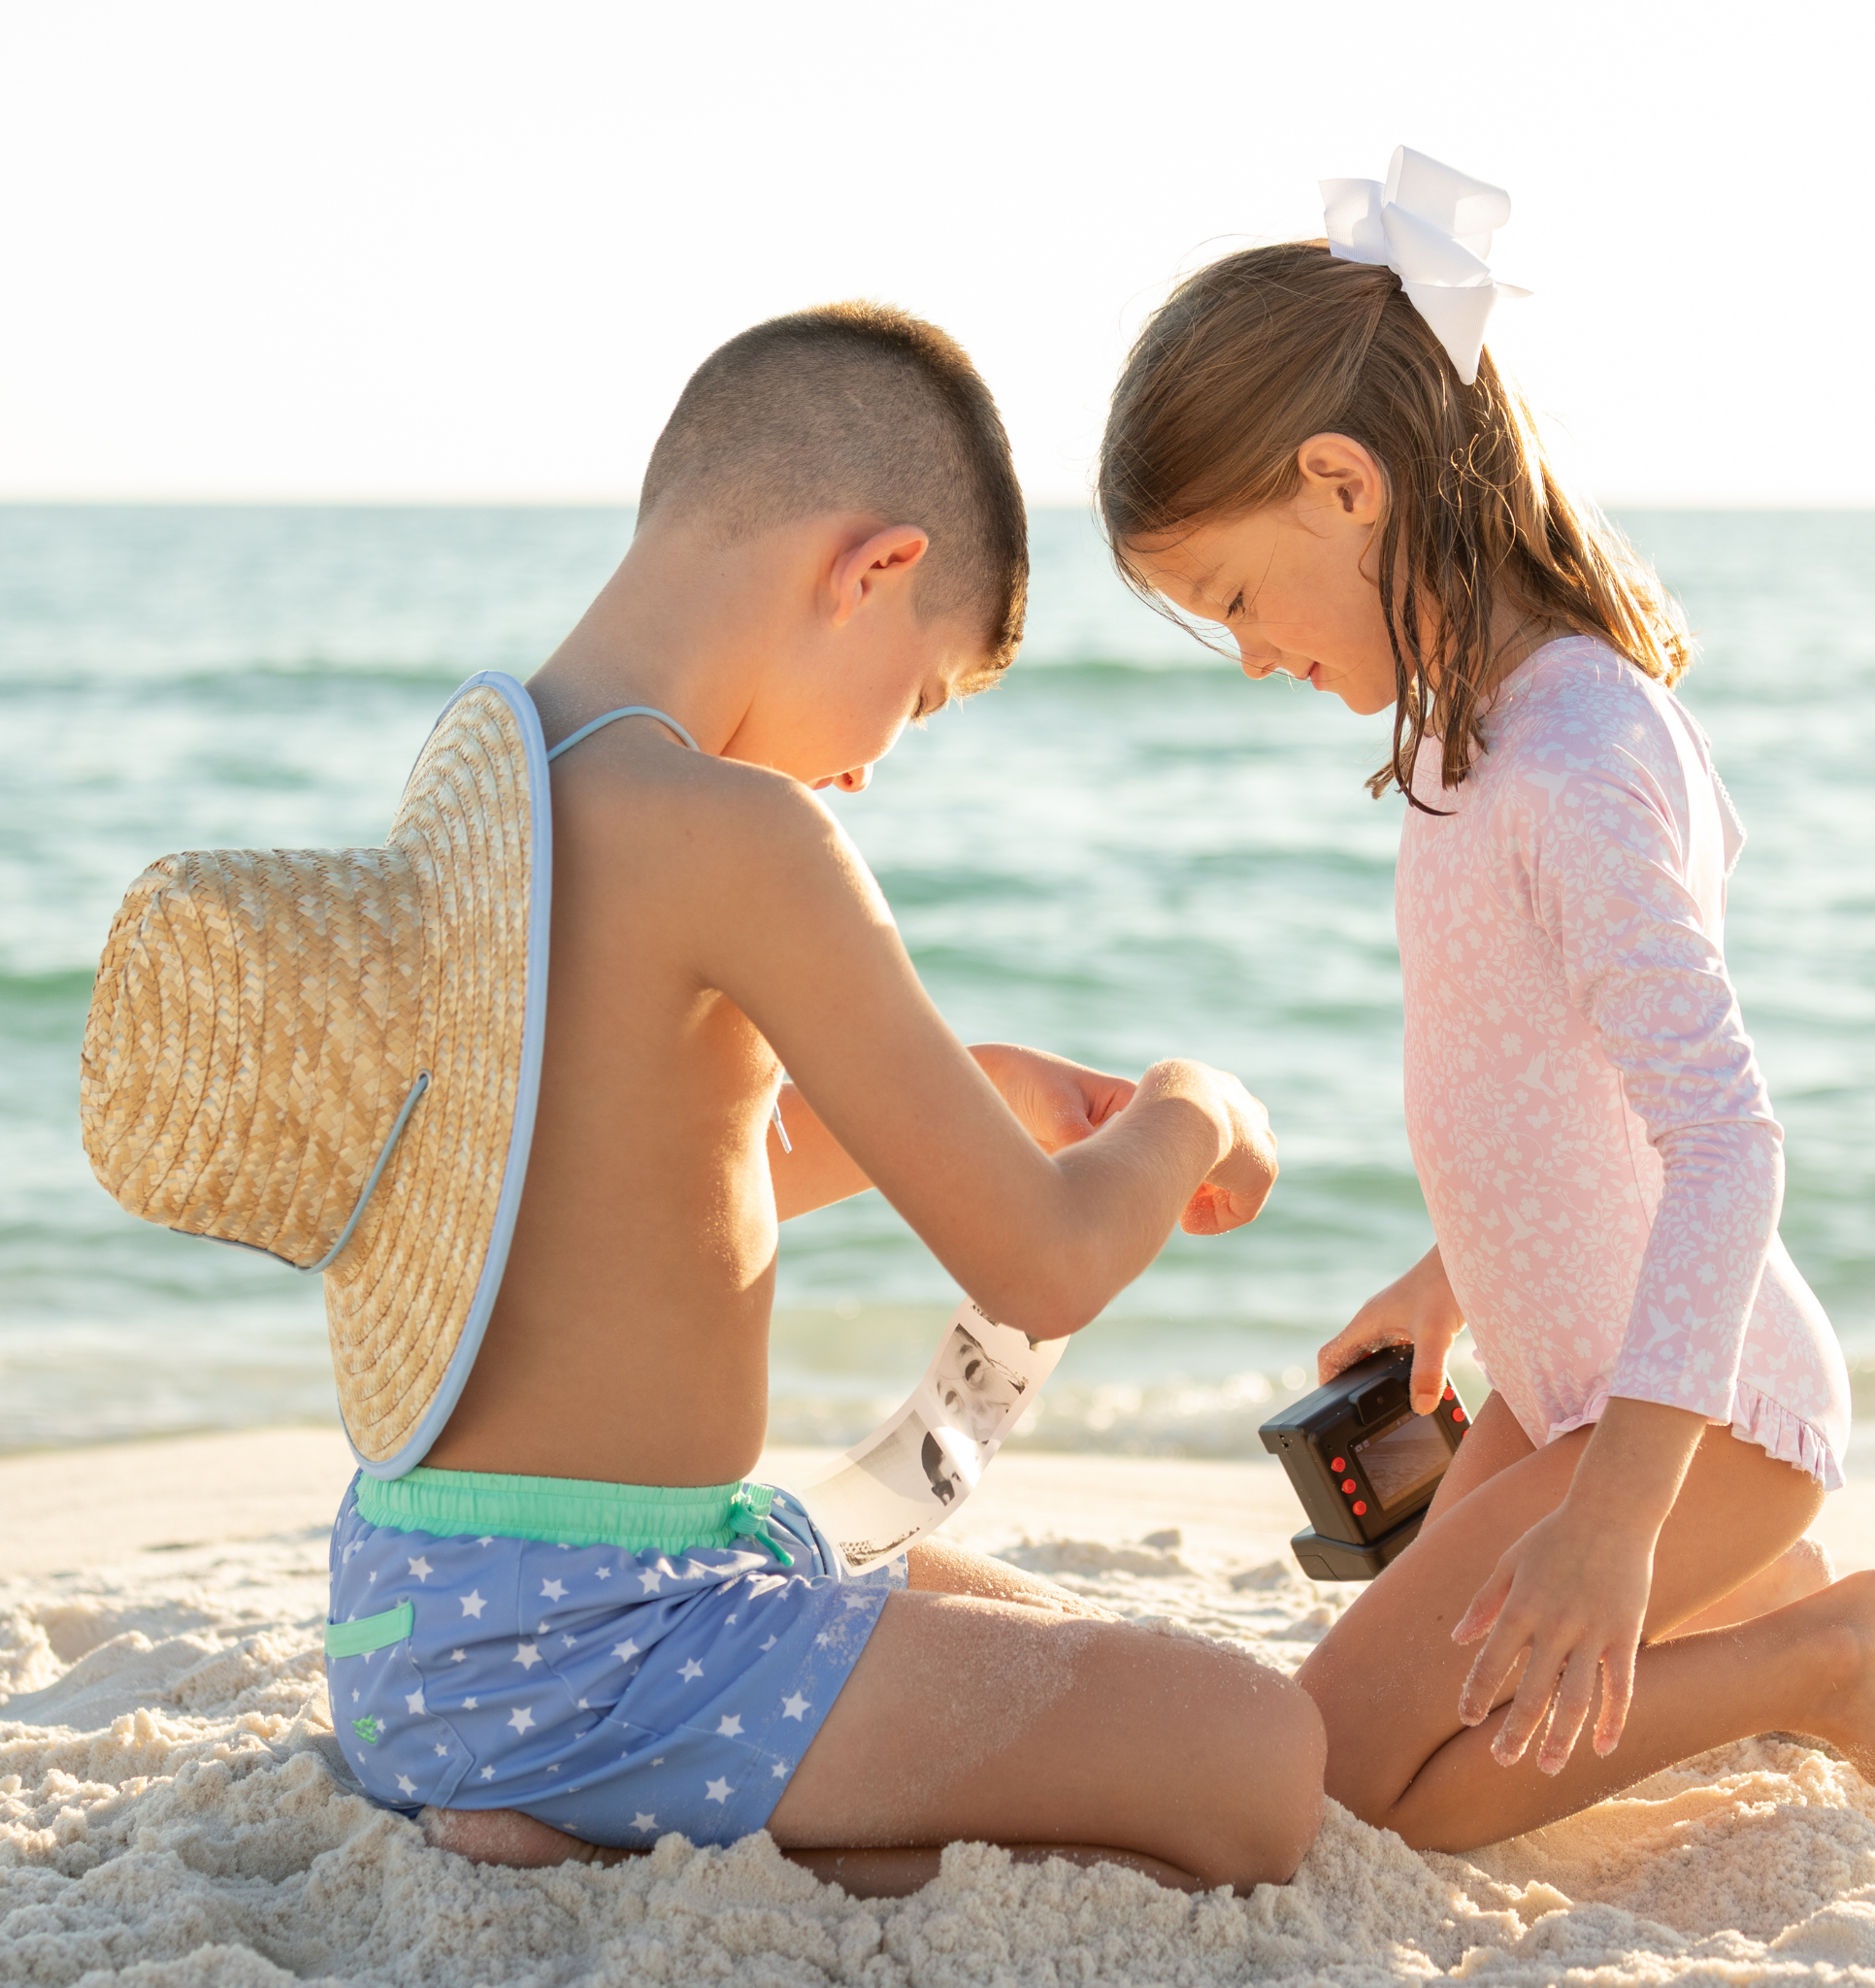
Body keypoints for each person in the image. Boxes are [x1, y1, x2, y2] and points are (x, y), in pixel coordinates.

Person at [78, 300, 1319, 1895]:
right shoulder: (745, 831)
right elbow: (1045, 1265)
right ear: (871, 569)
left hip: (424, 1623)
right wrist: (1195, 1111)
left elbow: (616, 1186)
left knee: (1045, 1631)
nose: (875, 763)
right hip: (599, 1646)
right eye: (918, 696)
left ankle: (574, 1824)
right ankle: (613, 1850)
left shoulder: (504, 779)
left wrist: (980, 1089)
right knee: (1263, 1765)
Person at [1095, 154, 1875, 1855]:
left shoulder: (1574, 754)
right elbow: (1555, 1090)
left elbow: (1723, 1144)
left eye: (1231, 598)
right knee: (1342, 1767)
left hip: (1697, 1409)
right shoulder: (1463, 734)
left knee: (1352, 1804)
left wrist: (1619, 1522)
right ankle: (1753, 1610)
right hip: (1573, 1375)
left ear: (1341, 485)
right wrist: (1455, 1278)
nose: (1253, 653)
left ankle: (1842, 1652)